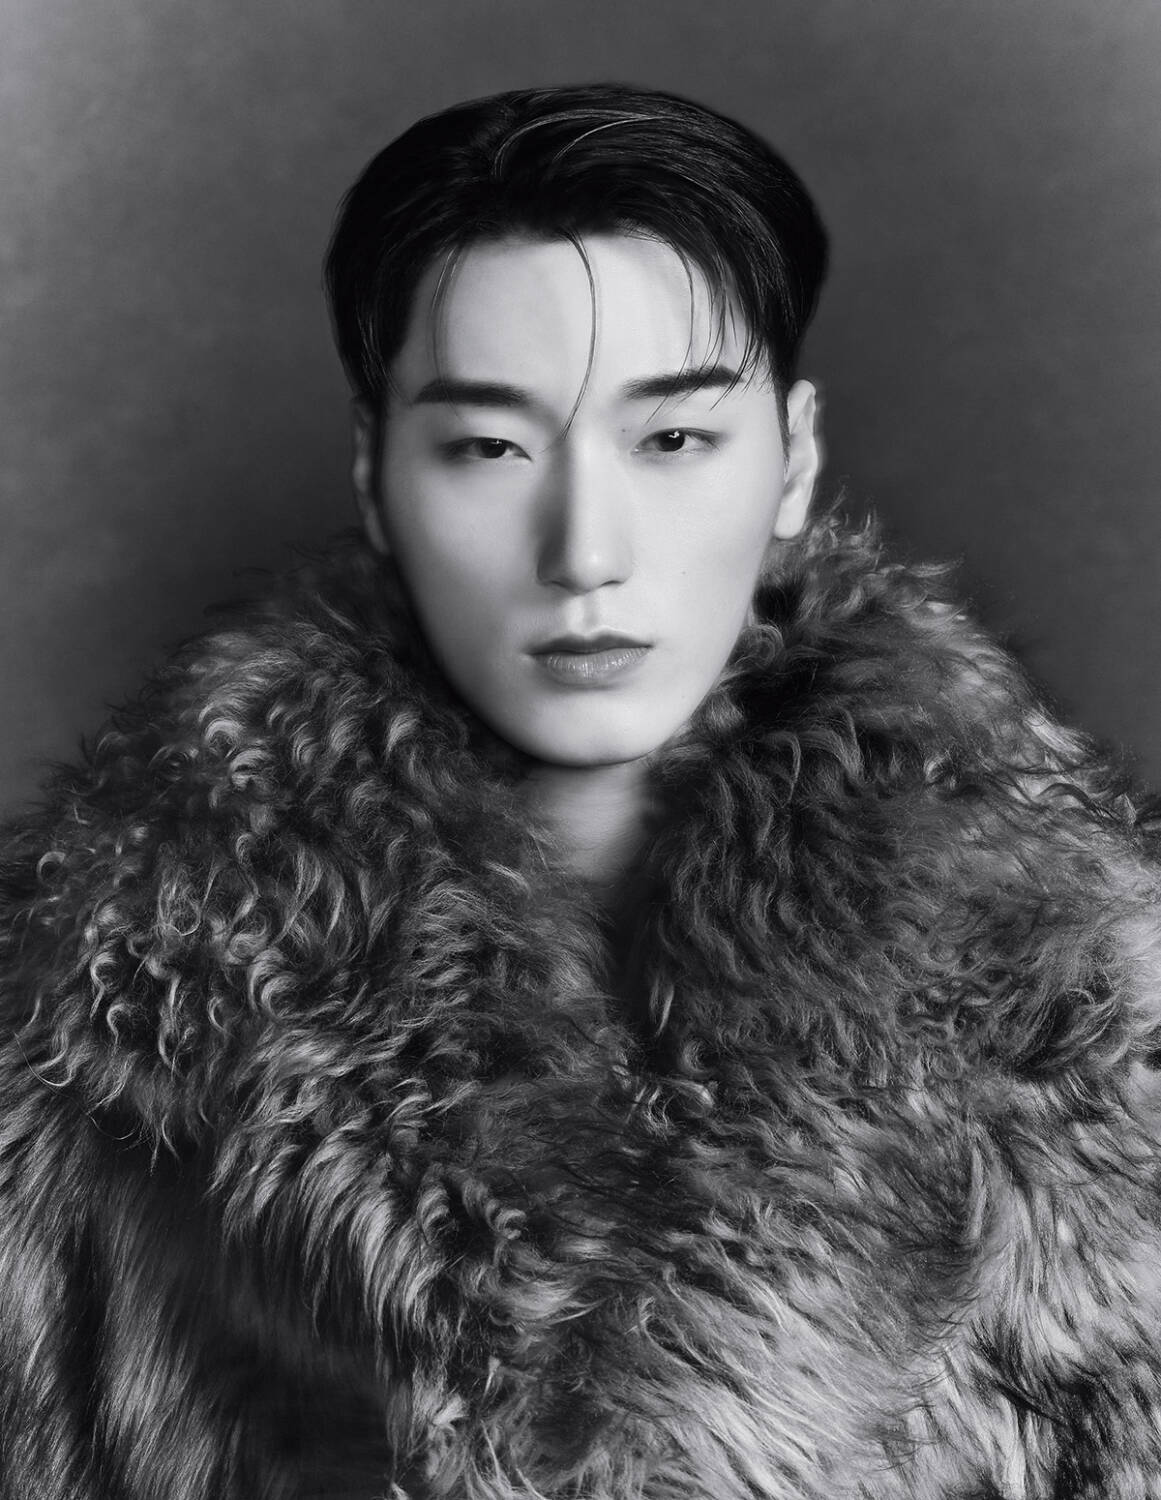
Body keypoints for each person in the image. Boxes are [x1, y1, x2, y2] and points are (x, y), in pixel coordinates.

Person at [1, 82, 1159, 1500]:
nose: (585, 549)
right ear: (375, 476)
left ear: (791, 463)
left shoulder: (1091, 1022)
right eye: (489, 447)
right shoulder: (91, 1033)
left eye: (671, 439)